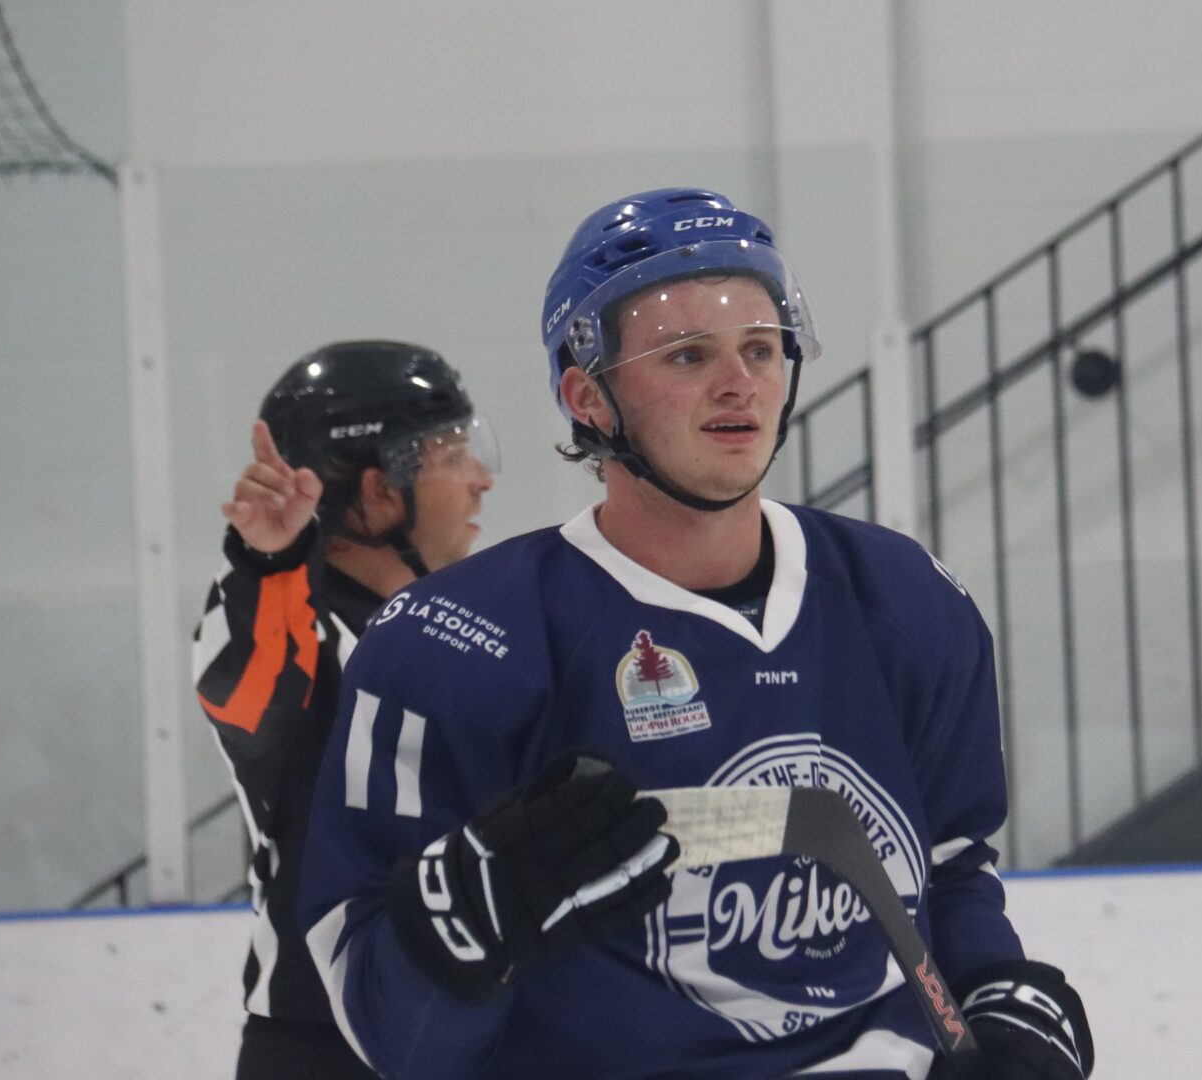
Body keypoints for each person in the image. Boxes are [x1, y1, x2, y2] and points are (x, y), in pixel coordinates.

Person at [299, 190, 1094, 1079]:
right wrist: (452, 941)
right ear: (588, 397)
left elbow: (948, 868)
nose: (739, 383)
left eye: (761, 348)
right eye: (688, 355)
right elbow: (385, 1028)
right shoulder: (456, 644)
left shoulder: (908, 602)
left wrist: (1001, 998)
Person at [193, 341, 497, 1079]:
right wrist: (269, 563)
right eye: (454, 455)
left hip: (473, 1030)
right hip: (323, 1044)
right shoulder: (303, 628)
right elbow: (255, 685)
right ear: (381, 490)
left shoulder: (469, 628)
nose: (481, 479)